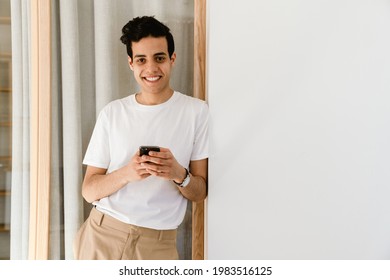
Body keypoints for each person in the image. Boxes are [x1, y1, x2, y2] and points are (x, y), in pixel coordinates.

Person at [73, 16, 209, 260]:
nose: (151, 69)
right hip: (102, 235)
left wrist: (178, 173)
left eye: (159, 58)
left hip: (159, 245)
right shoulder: (112, 113)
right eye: (141, 60)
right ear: (130, 64)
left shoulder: (196, 112)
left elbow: (200, 192)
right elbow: (89, 191)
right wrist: (128, 173)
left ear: (172, 59)